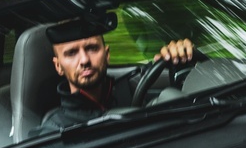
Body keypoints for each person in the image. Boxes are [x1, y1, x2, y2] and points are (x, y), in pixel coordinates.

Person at [38, 16, 196, 132]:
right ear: (58, 66)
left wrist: (183, 63)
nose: (84, 60)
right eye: (72, 53)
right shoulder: (54, 130)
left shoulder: (134, 92)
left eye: (92, 48)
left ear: (107, 55)